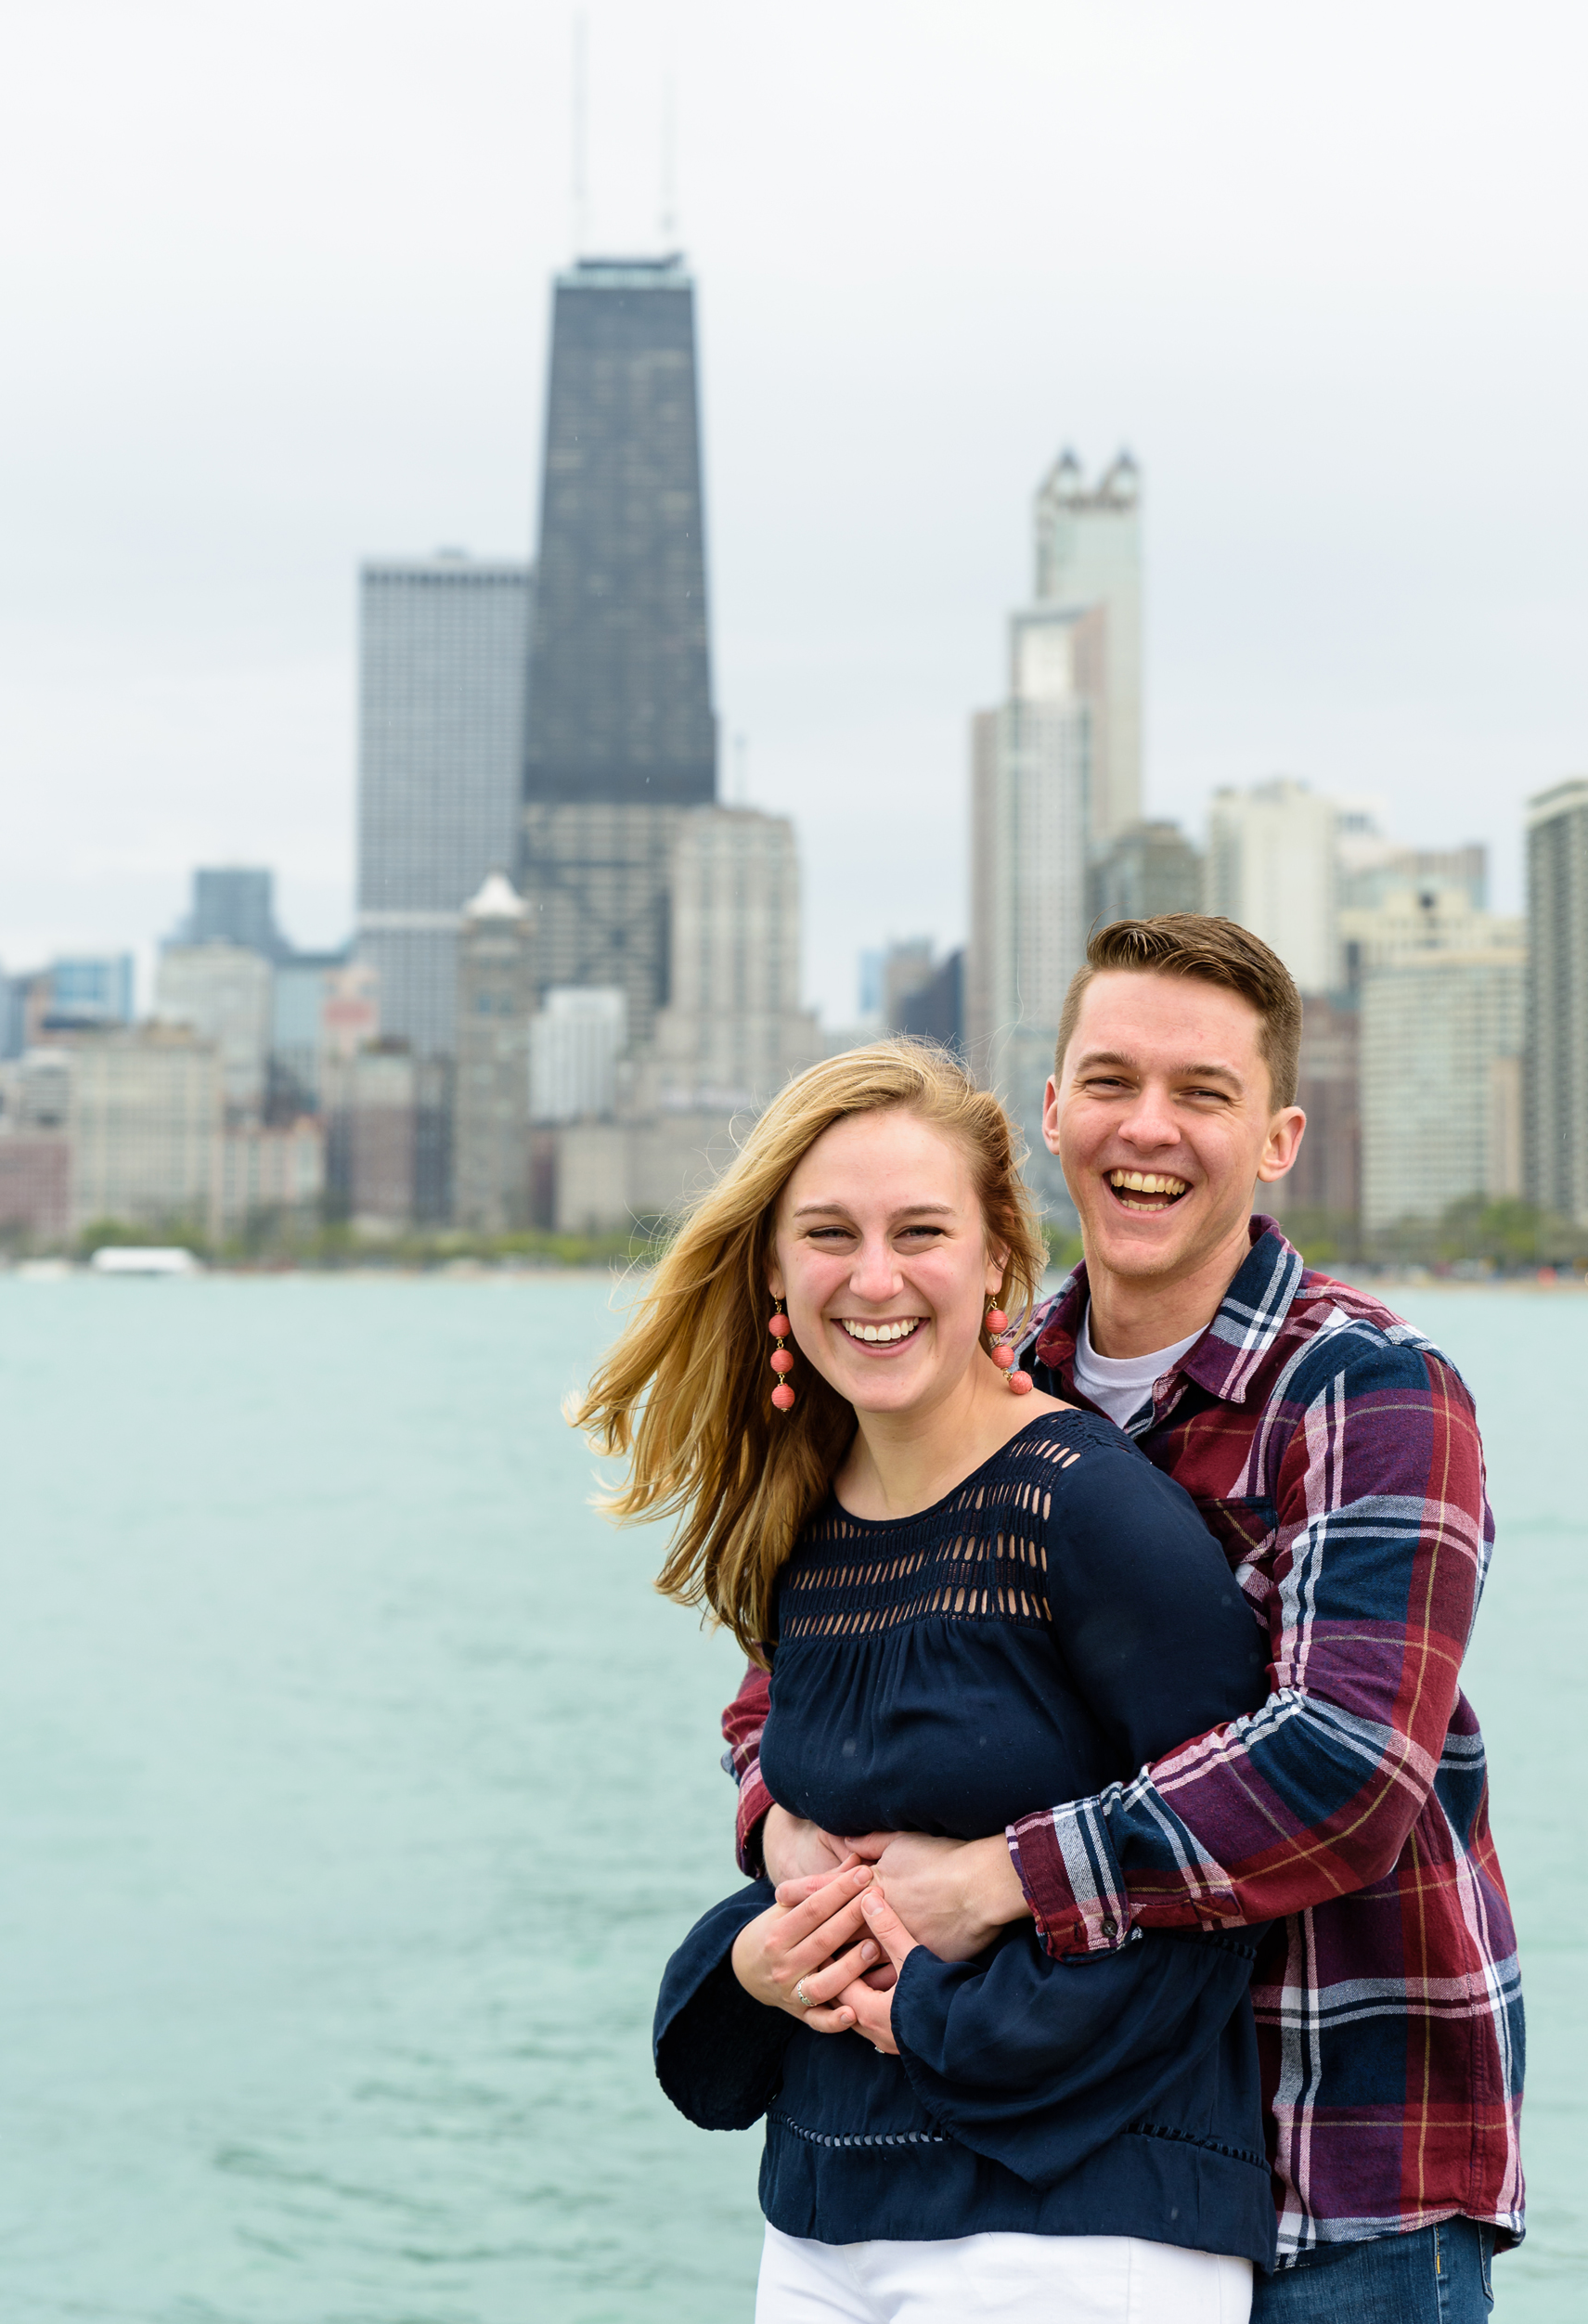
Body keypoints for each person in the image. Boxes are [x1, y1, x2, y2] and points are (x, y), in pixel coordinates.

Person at [723, 916, 1523, 2320]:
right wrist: (790, 1843)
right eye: (1109, 1082)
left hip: (1345, 2169)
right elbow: (795, 1665)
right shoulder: (983, 1368)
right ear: (1051, 1112)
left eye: (1201, 1093)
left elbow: (1343, 1771)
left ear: (1277, 1136)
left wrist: (983, 1885)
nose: (1146, 1128)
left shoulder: (1367, 1391)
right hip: (1074, 2151)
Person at [575, 1039, 1278, 2322]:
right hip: (820, 2226)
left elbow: (1224, 1893)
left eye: (921, 1230)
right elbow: (814, 1868)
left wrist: (938, 2015)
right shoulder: (795, 1531)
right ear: (777, 1275)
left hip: (1079, 2225)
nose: (876, 1277)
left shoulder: (1093, 1514)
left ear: (1000, 1259)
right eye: (830, 1234)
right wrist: (757, 1968)